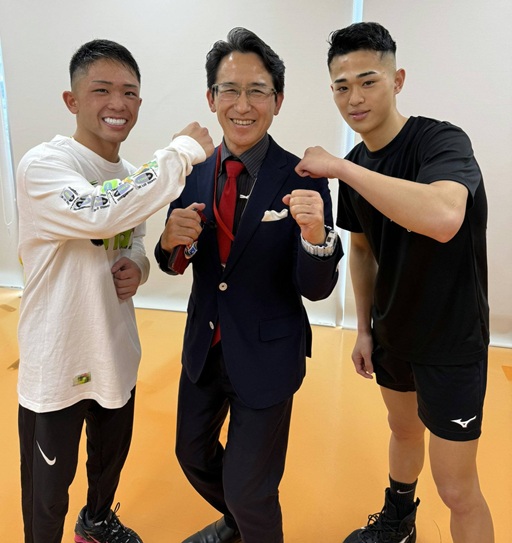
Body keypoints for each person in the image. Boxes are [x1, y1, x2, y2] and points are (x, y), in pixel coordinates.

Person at [295, 21, 493, 543]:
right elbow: (362, 250)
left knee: (458, 490)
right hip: (393, 334)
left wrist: (342, 169)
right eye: (342, 87)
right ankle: (399, 521)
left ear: (397, 79)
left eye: (368, 81)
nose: (354, 98)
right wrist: (364, 329)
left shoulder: (440, 141)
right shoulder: (355, 165)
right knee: (403, 431)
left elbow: (444, 217)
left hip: (452, 340)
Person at [16, 39, 213, 543]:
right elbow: (98, 211)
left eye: (128, 92)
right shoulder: (44, 165)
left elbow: (136, 236)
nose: (117, 103)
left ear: (139, 103)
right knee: (46, 498)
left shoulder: (131, 177)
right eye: (101, 90)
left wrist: (139, 267)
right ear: (72, 100)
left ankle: (98, 522)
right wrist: (180, 152)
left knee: (107, 465)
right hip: (58, 362)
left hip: (115, 352)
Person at [154, 27, 342, 543]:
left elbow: (317, 289)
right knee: (191, 452)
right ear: (211, 98)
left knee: (249, 489)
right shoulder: (191, 171)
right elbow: (176, 260)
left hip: (267, 355)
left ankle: (245, 518)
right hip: (204, 347)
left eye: (257, 90)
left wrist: (315, 238)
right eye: (229, 90)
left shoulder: (303, 177)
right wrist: (169, 242)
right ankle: (239, 521)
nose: (242, 105)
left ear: (277, 101)